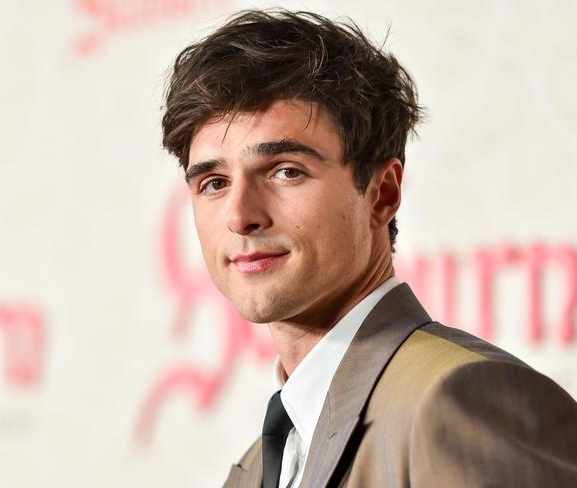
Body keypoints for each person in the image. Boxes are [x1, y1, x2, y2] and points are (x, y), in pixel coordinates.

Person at [161, 9, 577, 488]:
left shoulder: (458, 403)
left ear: (382, 194)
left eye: (285, 171)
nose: (239, 216)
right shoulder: (256, 465)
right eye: (213, 183)